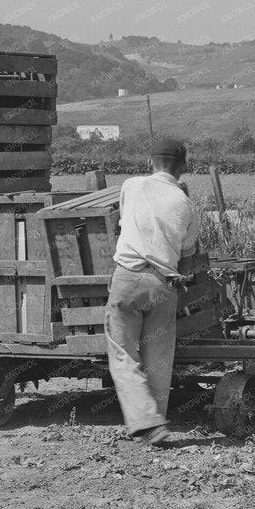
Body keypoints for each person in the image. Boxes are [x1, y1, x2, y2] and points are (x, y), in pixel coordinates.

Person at [105, 135, 199, 447]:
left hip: (128, 279)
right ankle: (156, 421)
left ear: (150, 162)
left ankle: (146, 423)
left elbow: (121, 220)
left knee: (123, 354)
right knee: (159, 357)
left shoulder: (131, 185)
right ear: (182, 168)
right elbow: (187, 256)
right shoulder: (186, 204)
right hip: (164, 284)